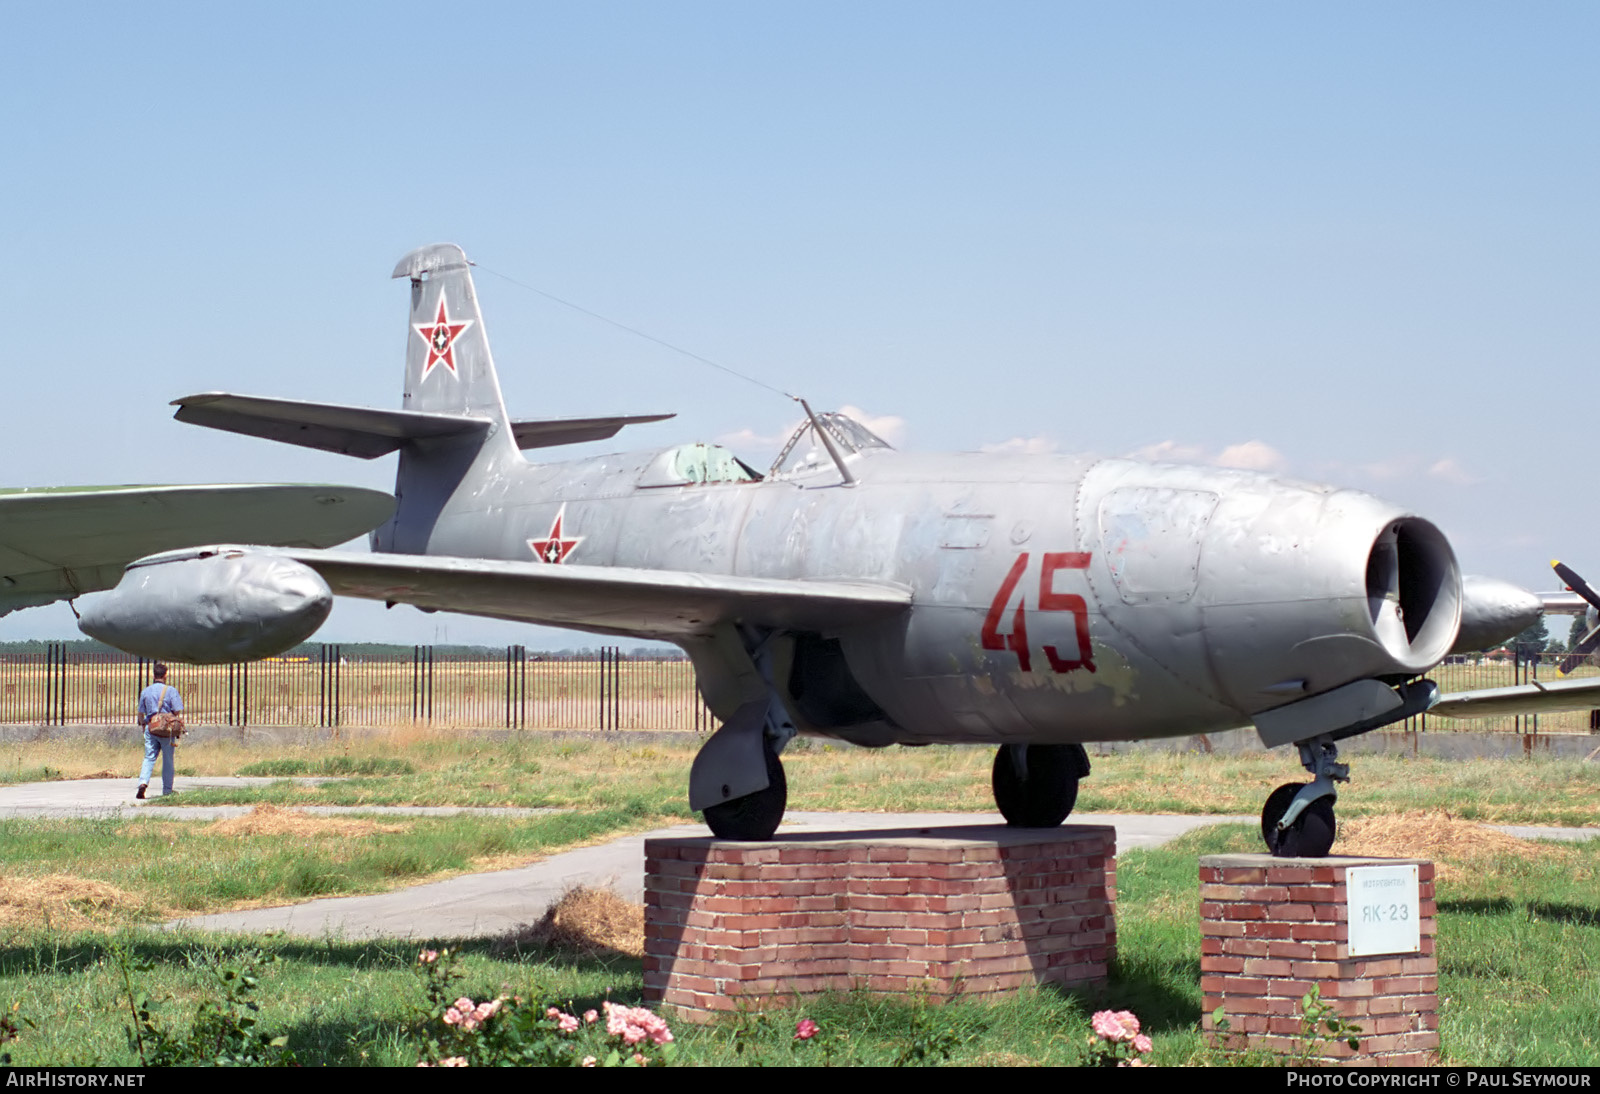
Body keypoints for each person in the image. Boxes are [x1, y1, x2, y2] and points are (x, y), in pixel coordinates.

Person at [136, 663, 184, 799]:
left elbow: (140, 713)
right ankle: (167, 790)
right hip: (166, 730)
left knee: (149, 757)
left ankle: (143, 783)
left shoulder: (146, 691)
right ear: (165, 675)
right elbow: (176, 710)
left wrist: (143, 724)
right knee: (168, 760)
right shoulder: (171, 690)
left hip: (151, 727)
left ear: (153, 675)